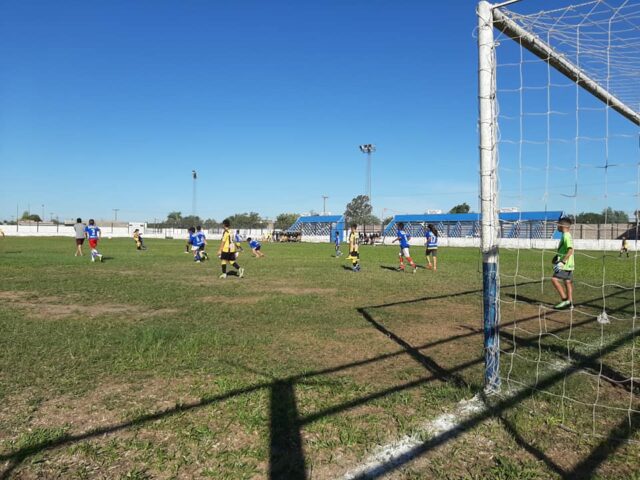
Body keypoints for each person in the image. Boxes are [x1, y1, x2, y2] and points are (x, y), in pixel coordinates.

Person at [551, 216, 575, 309]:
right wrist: (556, 257)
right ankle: (570, 303)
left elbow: (570, 250)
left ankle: (565, 301)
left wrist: (562, 262)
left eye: (558, 225)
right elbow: (565, 250)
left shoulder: (566, 236)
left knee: (554, 279)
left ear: (561, 226)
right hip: (570, 264)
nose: (557, 227)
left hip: (565, 264)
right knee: (567, 282)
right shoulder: (567, 235)